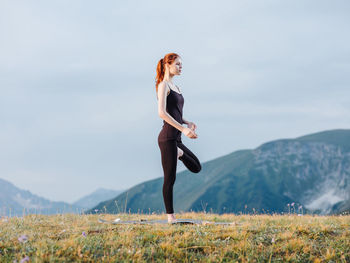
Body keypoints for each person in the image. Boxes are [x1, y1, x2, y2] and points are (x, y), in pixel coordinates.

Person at [155, 52, 202, 223]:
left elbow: (174, 112)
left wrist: (187, 122)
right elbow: (162, 113)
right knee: (170, 178)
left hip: (177, 138)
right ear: (168, 65)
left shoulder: (177, 88)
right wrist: (182, 128)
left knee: (196, 167)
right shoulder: (163, 85)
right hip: (167, 138)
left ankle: (179, 153)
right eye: (178, 64)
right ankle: (171, 218)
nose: (181, 67)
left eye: (181, 64)